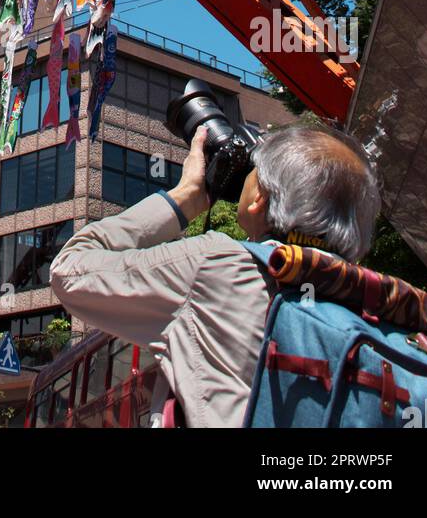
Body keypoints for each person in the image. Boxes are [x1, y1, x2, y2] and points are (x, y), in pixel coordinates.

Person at [49, 123, 381, 427]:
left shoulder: (218, 264)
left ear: (259, 200)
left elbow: (70, 269)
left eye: (252, 174)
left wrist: (185, 198)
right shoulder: (378, 302)